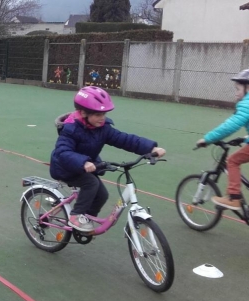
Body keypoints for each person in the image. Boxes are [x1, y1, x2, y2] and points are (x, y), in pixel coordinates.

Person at [51, 86, 166, 232]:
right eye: (98, 115)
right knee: (91, 183)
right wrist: (84, 162)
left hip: (86, 166)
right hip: (65, 167)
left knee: (102, 195)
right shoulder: (70, 129)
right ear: (84, 113)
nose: (102, 118)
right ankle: (76, 216)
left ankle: (86, 218)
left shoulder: (103, 128)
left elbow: (124, 139)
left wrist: (151, 148)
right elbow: (63, 152)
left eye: (104, 114)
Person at [196, 69, 249, 211]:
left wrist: (207, 139)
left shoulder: (248, 102)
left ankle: (234, 198)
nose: (236, 93)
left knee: (232, 161)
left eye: (238, 89)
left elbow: (230, 126)